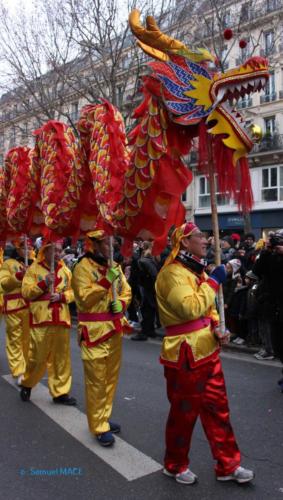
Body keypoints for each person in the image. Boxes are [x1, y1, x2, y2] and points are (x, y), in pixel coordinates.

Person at [155, 221, 254, 485]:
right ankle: (174, 464)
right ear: (185, 242)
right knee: (183, 414)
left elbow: (206, 310)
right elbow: (190, 308)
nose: (206, 240)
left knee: (219, 410)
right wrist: (214, 279)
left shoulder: (195, 272)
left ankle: (228, 465)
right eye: (200, 236)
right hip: (184, 354)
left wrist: (216, 328)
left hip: (208, 351)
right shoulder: (171, 274)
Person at [71, 230, 132, 447]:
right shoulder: (81, 268)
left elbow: (126, 290)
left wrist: (122, 304)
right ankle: (98, 425)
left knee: (110, 379)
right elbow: (85, 299)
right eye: (107, 244)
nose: (111, 248)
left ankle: (103, 417)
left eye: (113, 243)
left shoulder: (114, 266)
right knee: (96, 381)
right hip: (93, 331)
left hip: (114, 329)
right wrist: (107, 281)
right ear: (94, 245)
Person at [19, 240, 76, 405]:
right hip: (41, 320)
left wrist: (62, 296)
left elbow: (73, 292)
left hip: (61, 320)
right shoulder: (34, 270)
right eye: (55, 250)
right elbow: (26, 292)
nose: (58, 253)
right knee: (37, 357)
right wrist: (44, 283)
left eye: (60, 250)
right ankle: (28, 384)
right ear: (46, 251)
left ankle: (60, 393)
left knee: (61, 358)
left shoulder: (65, 271)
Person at [253, 230, 283, 385]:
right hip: (274, 307)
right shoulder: (270, 256)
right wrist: (266, 251)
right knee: (278, 345)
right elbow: (257, 271)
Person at [0, 238, 31, 384]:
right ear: (18, 248)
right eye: (24, 247)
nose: (28, 250)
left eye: (29, 247)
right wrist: (19, 275)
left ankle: (26, 368)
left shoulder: (33, 263)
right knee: (14, 339)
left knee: (27, 340)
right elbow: (4, 284)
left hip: (30, 306)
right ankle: (18, 370)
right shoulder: (8, 264)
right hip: (13, 306)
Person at [131, 241, 158, 341]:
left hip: (147, 288)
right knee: (149, 309)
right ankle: (150, 330)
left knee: (145, 309)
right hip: (149, 288)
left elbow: (153, 275)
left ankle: (145, 332)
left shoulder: (144, 260)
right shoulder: (148, 259)